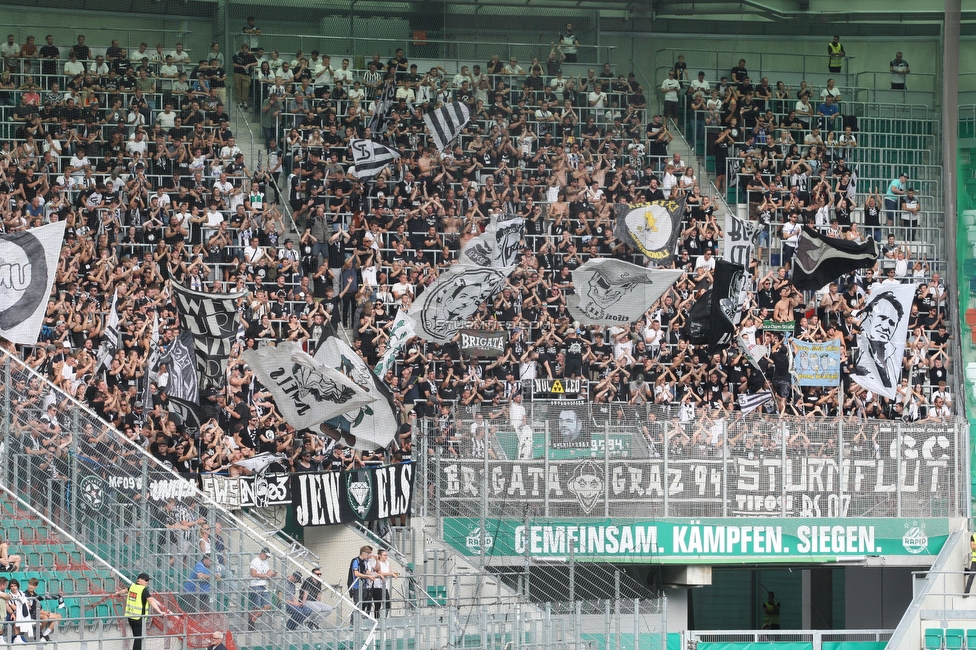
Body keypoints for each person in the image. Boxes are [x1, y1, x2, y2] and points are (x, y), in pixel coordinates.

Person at [852, 291, 905, 391]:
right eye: (882, 318)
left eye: (892, 323)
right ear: (869, 316)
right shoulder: (861, 356)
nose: (886, 327)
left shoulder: (893, 355)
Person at [118, 573, 168, 650]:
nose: (147, 582)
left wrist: (118, 593)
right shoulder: (143, 590)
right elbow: (151, 600)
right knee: (139, 638)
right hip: (139, 618)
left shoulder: (132, 587)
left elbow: (125, 590)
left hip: (130, 617)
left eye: (148, 580)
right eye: (146, 580)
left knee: (137, 637)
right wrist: (160, 612)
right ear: (140, 580)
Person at [248, 547, 276, 630]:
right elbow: (253, 574)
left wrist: (272, 574)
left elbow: (268, 571)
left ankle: (252, 620)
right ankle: (251, 623)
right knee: (256, 607)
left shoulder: (265, 561)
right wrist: (265, 576)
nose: (266, 558)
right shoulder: (255, 561)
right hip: (255, 585)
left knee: (267, 605)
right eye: (266, 556)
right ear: (262, 553)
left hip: (262, 586)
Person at [348, 545, 375, 619]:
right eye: (367, 554)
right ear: (363, 553)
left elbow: (366, 571)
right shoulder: (356, 561)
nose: (368, 556)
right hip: (356, 587)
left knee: (363, 605)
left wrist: (375, 575)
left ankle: (360, 621)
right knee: (358, 605)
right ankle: (353, 623)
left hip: (364, 587)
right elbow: (356, 573)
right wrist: (367, 576)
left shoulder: (364, 562)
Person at [371, 549, 398, 618]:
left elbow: (390, 571)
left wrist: (391, 573)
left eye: (386, 555)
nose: (386, 557)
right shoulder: (376, 562)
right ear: (380, 555)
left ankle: (383, 619)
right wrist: (390, 573)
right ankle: (377, 619)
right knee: (378, 605)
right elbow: (379, 572)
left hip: (385, 586)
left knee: (387, 604)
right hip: (377, 586)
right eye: (384, 555)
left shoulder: (387, 563)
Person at [964, 532, 976, 597]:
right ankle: (966, 592)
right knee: (971, 577)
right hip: (974, 561)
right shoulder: (973, 536)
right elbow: (972, 547)